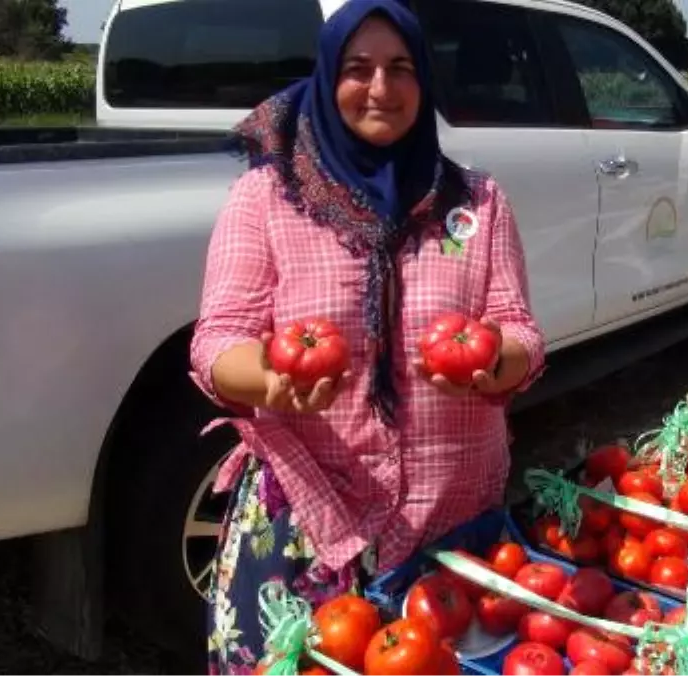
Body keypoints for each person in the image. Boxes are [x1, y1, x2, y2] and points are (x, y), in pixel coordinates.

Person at [188, 0, 545, 669]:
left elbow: (522, 331)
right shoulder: (267, 198)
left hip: (450, 526)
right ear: (327, 78)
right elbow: (216, 342)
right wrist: (269, 380)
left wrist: (496, 364)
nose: (381, 88)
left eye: (401, 68)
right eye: (359, 68)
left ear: (425, 82)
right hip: (309, 529)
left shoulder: (479, 202)